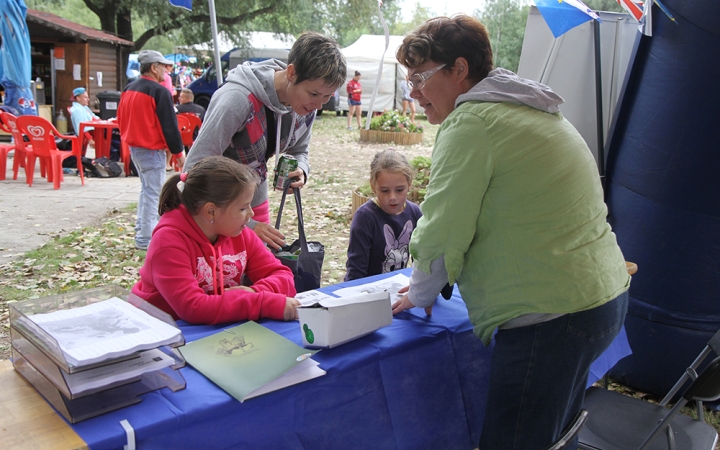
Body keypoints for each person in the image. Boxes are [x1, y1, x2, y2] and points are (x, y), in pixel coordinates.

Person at [390, 15, 631, 449]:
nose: (414, 91)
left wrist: (420, 293)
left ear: (459, 69)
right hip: (599, 294)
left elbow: (443, 228)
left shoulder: (472, 122)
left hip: (554, 315)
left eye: (421, 77)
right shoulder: (524, 108)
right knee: (554, 433)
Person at [184, 32, 346, 250]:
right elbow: (194, 169)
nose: (319, 105)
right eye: (314, 94)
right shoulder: (237, 99)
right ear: (291, 73)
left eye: (327, 97)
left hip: (253, 198)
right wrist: (248, 225)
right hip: (214, 207)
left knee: (259, 270)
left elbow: (300, 150)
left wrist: (301, 169)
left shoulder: (307, 105)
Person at [131, 156, 300, 324]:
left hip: (214, 326)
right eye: (242, 208)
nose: (251, 214)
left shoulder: (239, 233)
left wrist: (253, 293)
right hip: (163, 331)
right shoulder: (167, 243)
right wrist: (263, 303)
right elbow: (193, 308)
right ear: (211, 211)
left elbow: (283, 276)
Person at [117, 49, 185, 250]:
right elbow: (169, 126)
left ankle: (142, 228)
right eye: (163, 66)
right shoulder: (158, 91)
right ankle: (146, 238)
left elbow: (120, 118)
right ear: (154, 67)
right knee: (154, 193)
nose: (166, 70)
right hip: (151, 148)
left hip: (135, 147)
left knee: (146, 191)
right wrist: (179, 153)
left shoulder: (129, 88)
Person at [345, 149, 422, 281]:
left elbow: (422, 262)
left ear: (409, 184)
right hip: (368, 292)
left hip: (398, 289)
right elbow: (356, 270)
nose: (392, 197)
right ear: (373, 186)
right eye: (385, 190)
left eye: (399, 190)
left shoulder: (415, 213)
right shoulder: (365, 217)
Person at [69, 87, 99, 155]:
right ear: (78, 98)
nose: (88, 100)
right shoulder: (77, 110)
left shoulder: (84, 108)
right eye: (85, 97)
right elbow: (81, 127)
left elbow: (94, 117)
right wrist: (90, 139)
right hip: (88, 136)